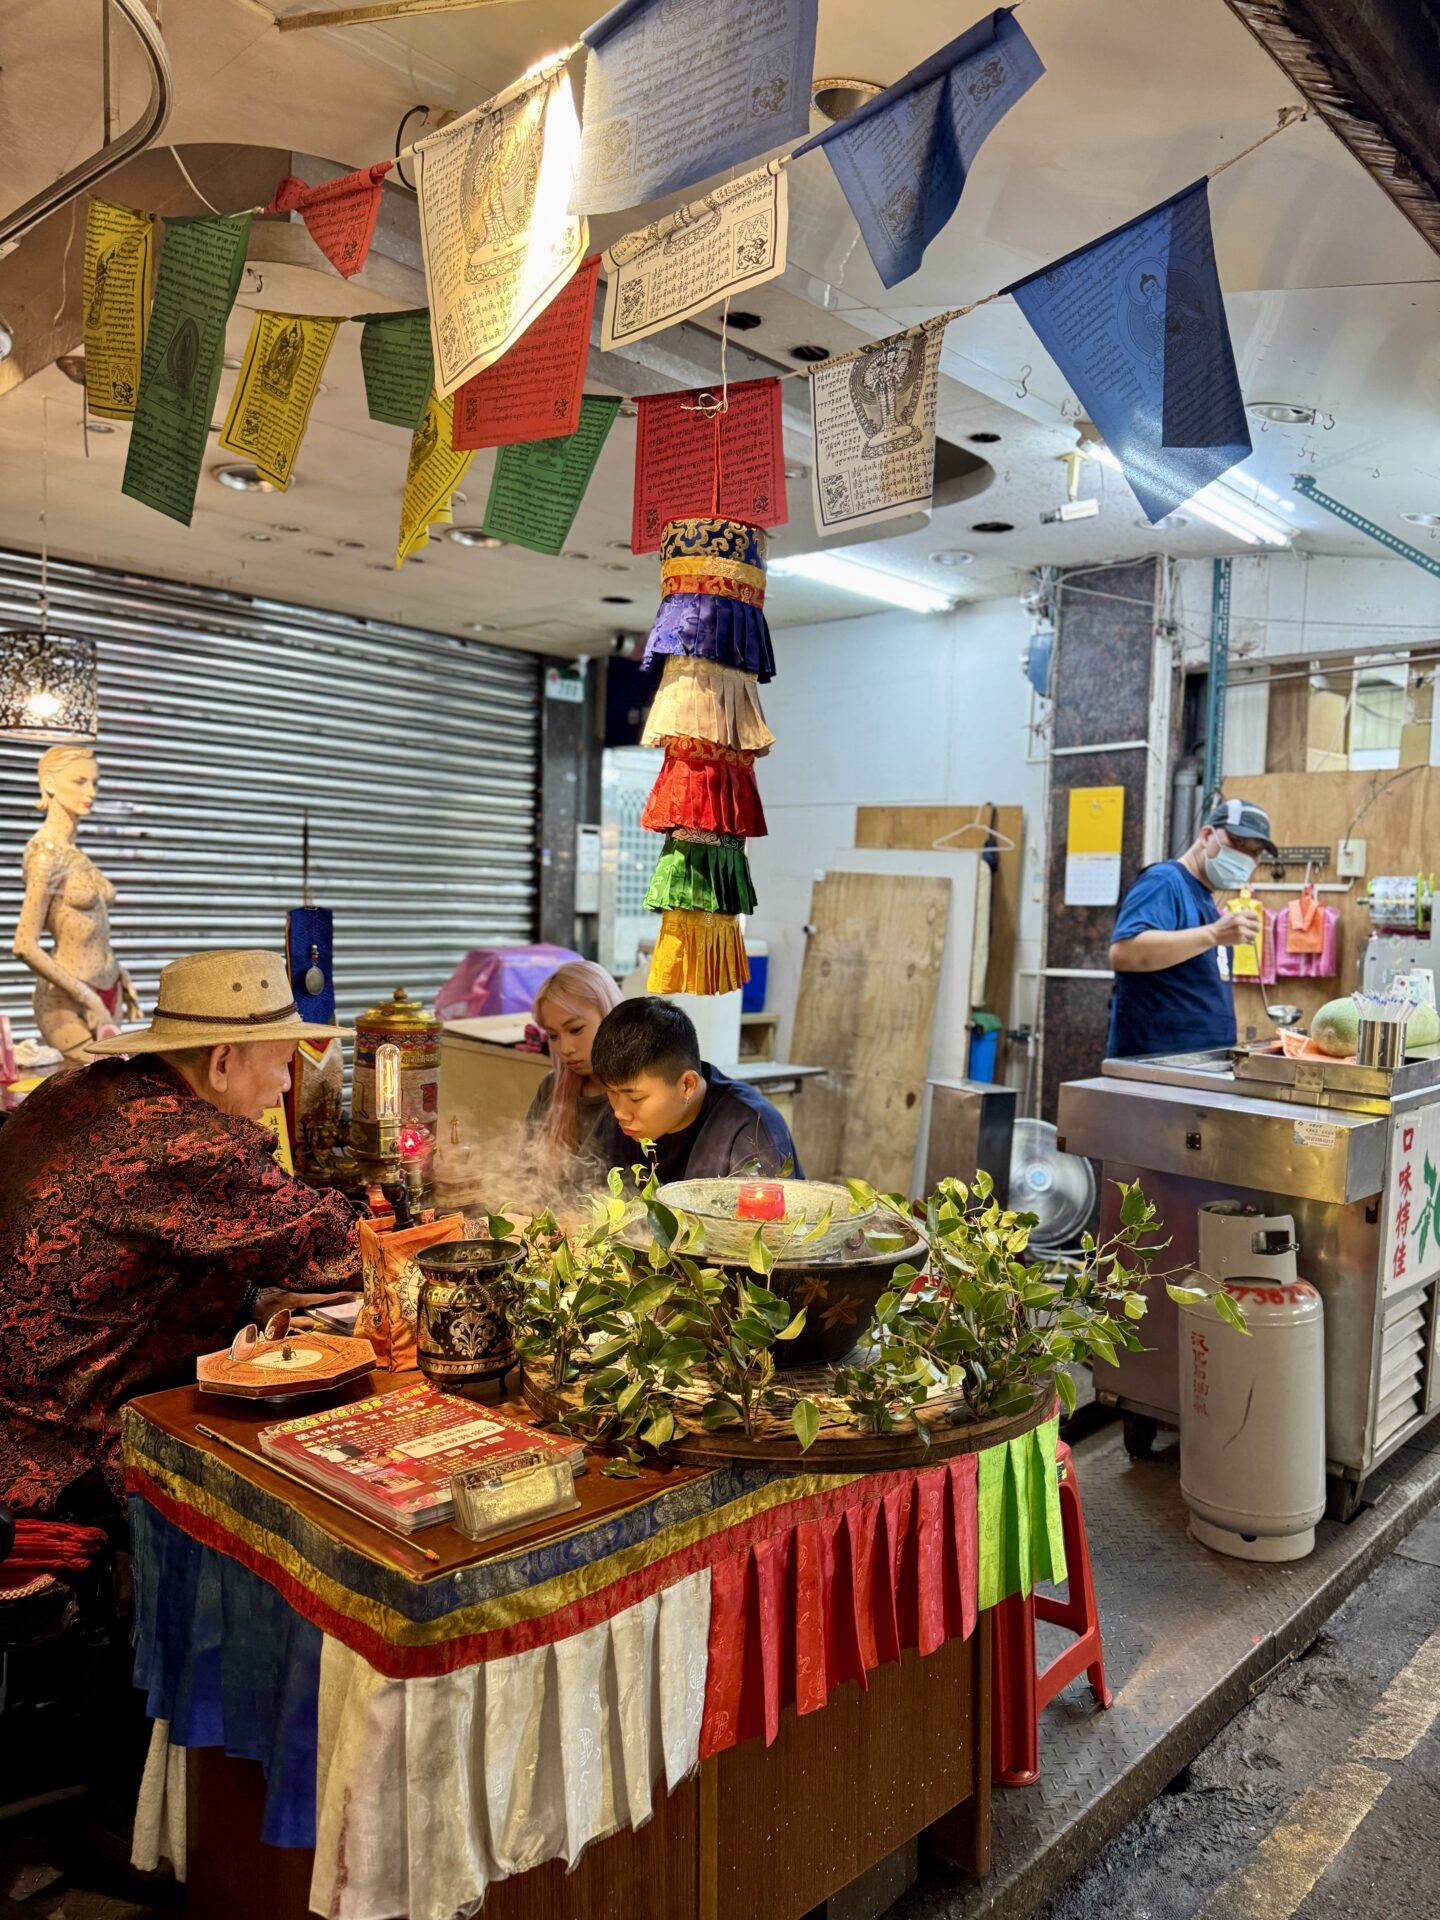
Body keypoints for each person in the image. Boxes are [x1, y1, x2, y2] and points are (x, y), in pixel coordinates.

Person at [0, 949, 360, 1516]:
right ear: (222, 1062)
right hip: (63, 1448)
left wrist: (252, 1296)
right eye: (284, 1061)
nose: (288, 1086)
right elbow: (339, 1250)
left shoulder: (68, 1091)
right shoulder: (194, 1145)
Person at [1107, 798, 1277, 1060]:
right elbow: (1125, 952)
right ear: (1207, 835)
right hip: (1154, 1066)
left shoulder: (1206, 902)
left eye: (1255, 852)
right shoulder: (1165, 881)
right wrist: (1213, 935)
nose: (1247, 858)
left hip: (1198, 1066)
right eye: (1239, 844)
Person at [11, 744, 141, 1061]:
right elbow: (24, 945)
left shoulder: (77, 854)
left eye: (94, 782)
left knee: (112, 1095)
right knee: (90, 1092)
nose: (91, 791)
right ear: (51, 785)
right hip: (68, 1000)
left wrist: (119, 977)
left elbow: (90, 926)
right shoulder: (45, 854)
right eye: (79, 781)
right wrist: (88, 998)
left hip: (110, 990)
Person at [589, 996, 801, 1184]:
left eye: (636, 1099)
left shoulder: (750, 1129)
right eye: (611, 1092)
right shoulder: (620, 1110)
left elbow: (761, 1226)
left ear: (687, 1085)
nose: (620, 1113)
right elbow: (580, 1187)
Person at [525, 959, 624, 1162]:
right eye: (553, 1036)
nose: (566, 1049)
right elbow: (526, 1172)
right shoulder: (550, 1088)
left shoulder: (640, 1097)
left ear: (610, 1017)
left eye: (576, 1029)